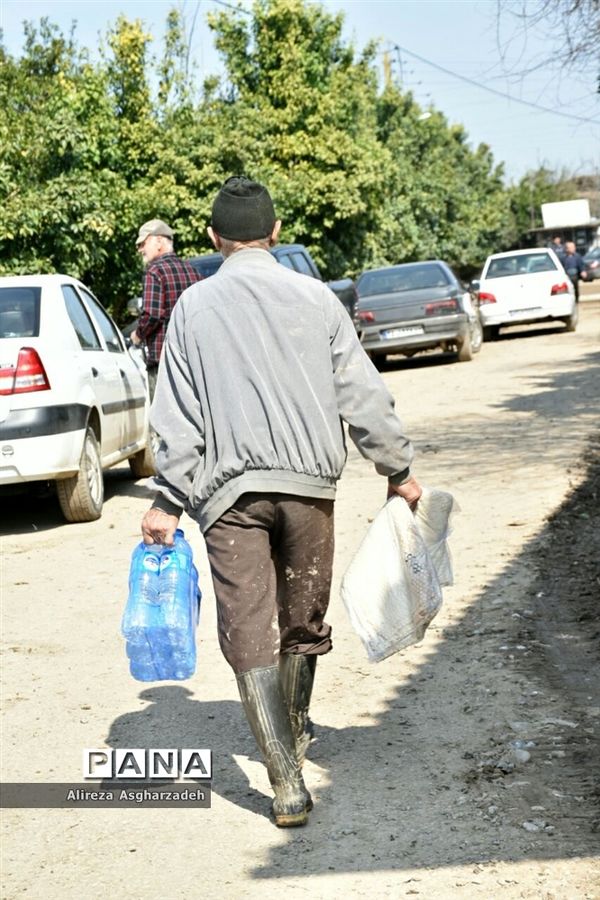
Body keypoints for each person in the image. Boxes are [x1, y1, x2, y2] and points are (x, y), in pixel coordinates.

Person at [140, 176, 422, 827]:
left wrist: (167, 501)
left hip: (228, 499)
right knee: (302, 618)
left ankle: (285, 781)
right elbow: (362, 393)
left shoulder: (192, 309)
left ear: (214, 237)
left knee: (248, 627)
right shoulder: (316, 299)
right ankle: (293, 732)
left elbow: (177, 417)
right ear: (274, 232)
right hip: (307, 492)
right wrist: (398, 468)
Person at [130, 219, 201, 398]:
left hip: (164, 363)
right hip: (192, 361)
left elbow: (152, 315)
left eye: (143, 243)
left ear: (159, 241)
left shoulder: (154, 272)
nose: (140, 249)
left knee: (163, 416)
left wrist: (137, 335)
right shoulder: (193, 271)